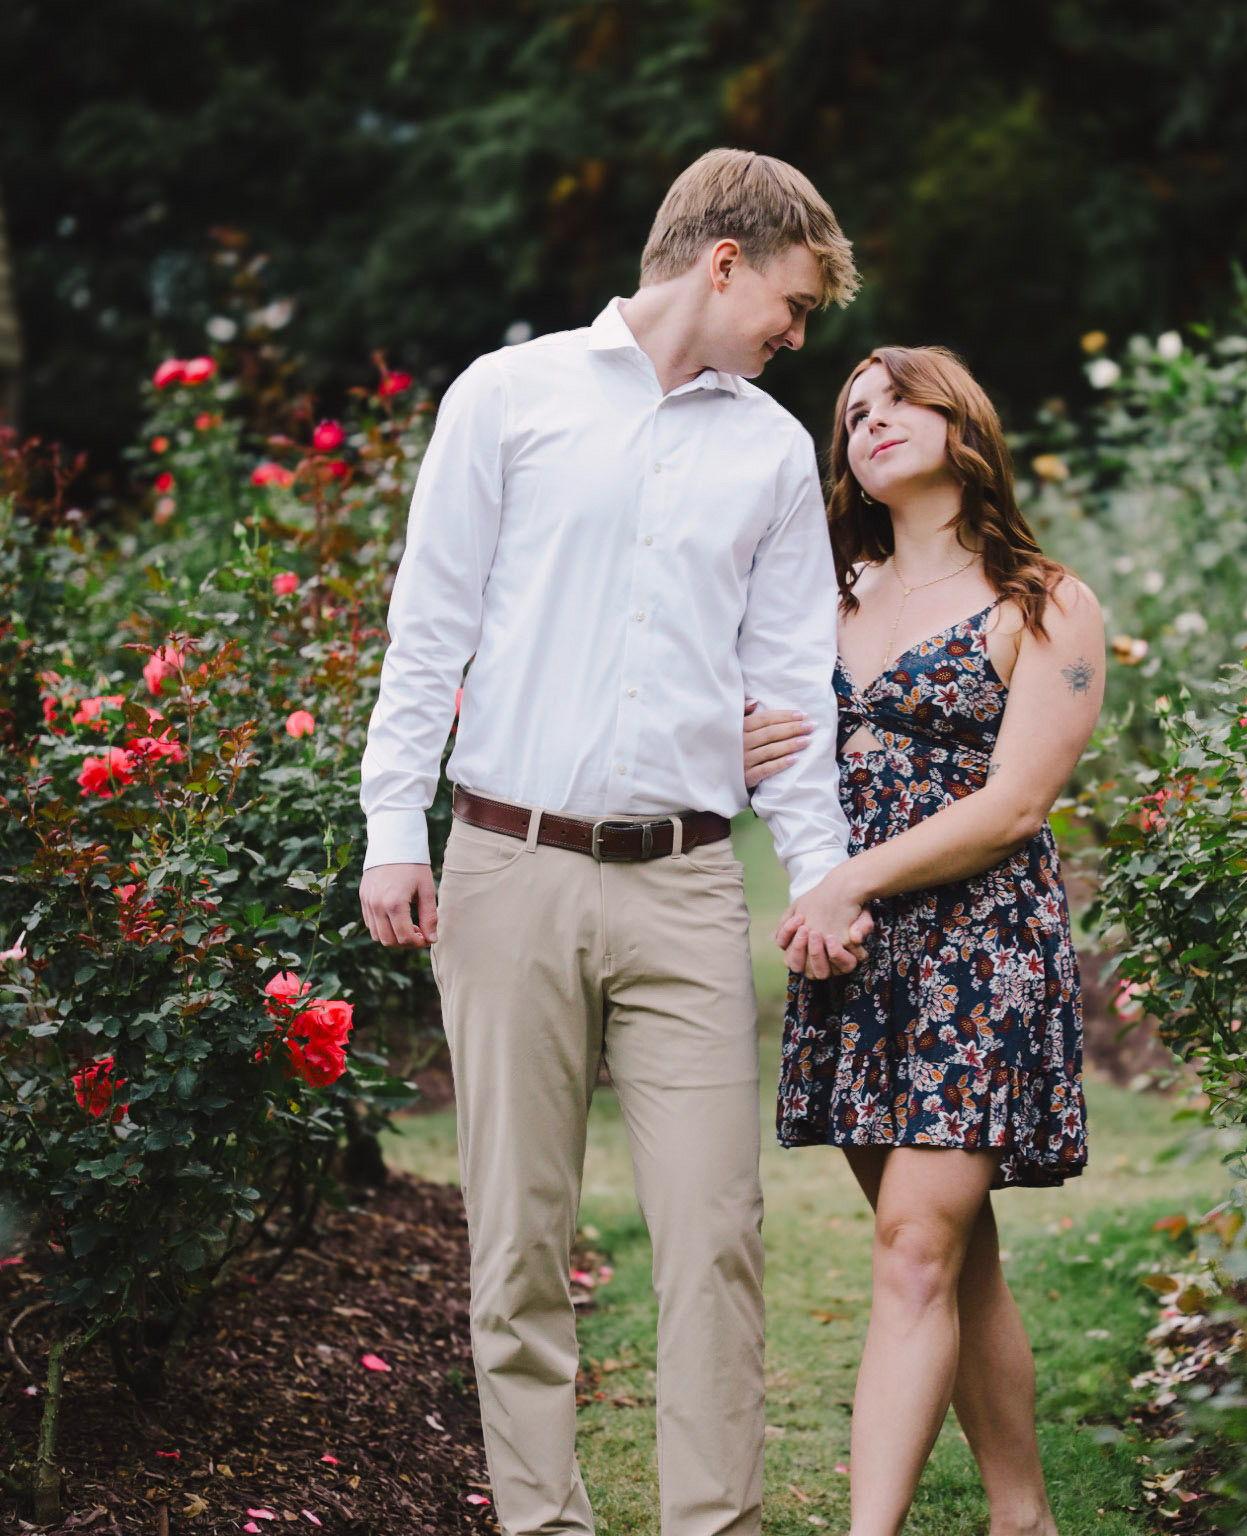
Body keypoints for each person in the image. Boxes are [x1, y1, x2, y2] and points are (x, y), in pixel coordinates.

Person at [357, 147, 874, 1536]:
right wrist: (391, 825)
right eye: (793, 299)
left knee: (716, 1235)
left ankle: (715, 1524)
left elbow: (790, 698)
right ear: (723, 264)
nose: (796, 332)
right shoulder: (507, 397)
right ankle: (546, 1522)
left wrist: (816, 878)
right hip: (508, 870)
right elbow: (431, 628)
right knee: (518, 1238)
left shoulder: (768, 451)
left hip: (690, 886)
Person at [744, 344, 1105, 1536]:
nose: (872, 420)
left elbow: (1014, 807)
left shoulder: (1045, 603)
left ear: (962, 423)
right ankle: (1023, 1517)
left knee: (910, 1249)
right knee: (952, 1252)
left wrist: (853, 879)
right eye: (852, 413)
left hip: (978, 957)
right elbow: (774, 751)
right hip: (856, 963)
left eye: (897, 399)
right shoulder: (824, 597)